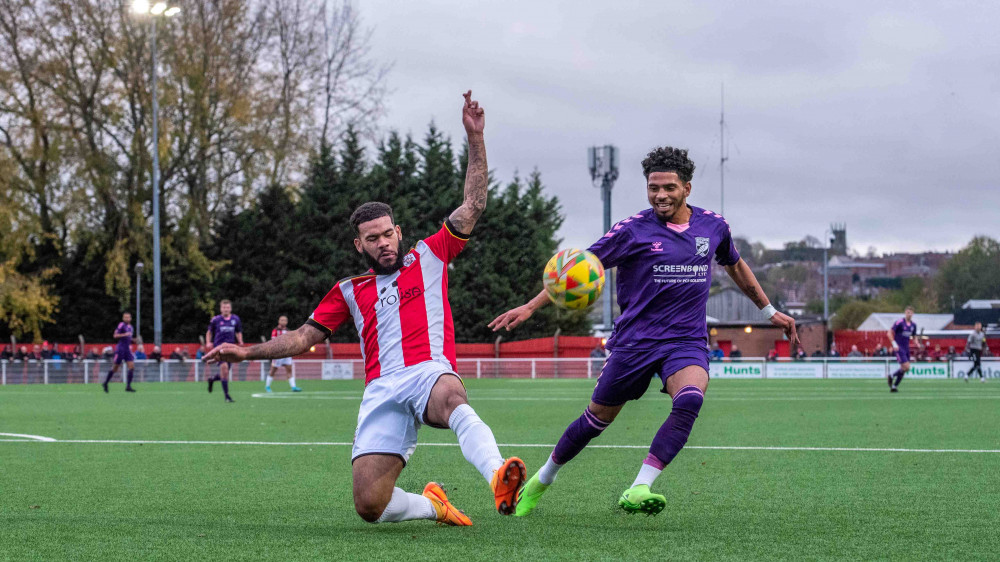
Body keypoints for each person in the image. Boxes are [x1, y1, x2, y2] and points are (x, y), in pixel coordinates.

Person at [205, 91, 526, 527]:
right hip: (382, 391)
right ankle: (434, 505)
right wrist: (245, 352)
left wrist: (476, 138)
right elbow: (302, 338)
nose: (383, 243)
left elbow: (473, 205)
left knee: (452, 398)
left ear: (398, 231)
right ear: (360, 245)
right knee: (370, 506)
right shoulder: (348, 291)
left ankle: (496, 476)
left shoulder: (428, 256)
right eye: (372, 239)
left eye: (387, 234)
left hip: (429, 371)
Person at [488, 145, 798, 517]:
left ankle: (639, 486)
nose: (660, 195)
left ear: (687, 187)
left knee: (690, 399)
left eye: (669, 187)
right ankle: (542, 479)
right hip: (635, 343)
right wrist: (531, 305)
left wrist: (768, 310)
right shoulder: (632, 230)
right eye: (653, 188)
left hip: (685, 341)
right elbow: (577, 270)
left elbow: (735, 265)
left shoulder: (714, 226)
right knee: (595, 421)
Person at [205, 299, 242, 402]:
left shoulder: (235, 319)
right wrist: (208, 342)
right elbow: (209, 332)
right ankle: (227, 396)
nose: (226, 309)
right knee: (224, 369)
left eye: (228, 307)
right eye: (224, 307)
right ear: (221, 309)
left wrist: (240, 341)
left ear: (230, 308)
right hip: (219, 348)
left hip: (231, 348)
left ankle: (212, 379)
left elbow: (239, 332)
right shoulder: (215, 320)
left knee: (224, 373)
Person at [887, 306, 920, 392]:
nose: (909, 314)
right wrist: (894, 344)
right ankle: (891, 375)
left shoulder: (913, 325)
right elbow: (889, 333)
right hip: (899, 348)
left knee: (904, 369)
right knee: (907, 367)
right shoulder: (899, 322)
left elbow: (914, 336)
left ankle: (894, 386)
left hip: (906, 348)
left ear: (913, 314)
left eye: (911, 312)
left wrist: (916, 342)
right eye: (907, 312)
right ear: (905, 312)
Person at [102, 312, 136, 393]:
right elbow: (115, 335)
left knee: (131, 367)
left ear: (130, 318)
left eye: (128, 317)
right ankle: (106, 383)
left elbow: (128, 338)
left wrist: (133, 340)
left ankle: (128, 386)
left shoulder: (131, 327)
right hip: (120, 349)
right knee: (115, 368)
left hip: (127, 349)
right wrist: (124, 334)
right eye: (125, 317)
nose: (127, 319)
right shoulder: (121, 325)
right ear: (123, 318)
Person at [266, 315, 302, 392]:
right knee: (273, 370)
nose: (283, 321)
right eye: (282, 320)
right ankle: (267, 386)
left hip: (287, 354)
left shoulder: (288, 331)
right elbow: (273, 342)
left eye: (285, 320)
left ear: (287, 322)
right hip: (278, 354)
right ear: (279, 321)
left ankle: (293, 387)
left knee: (289, 370)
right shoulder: (275, 330)